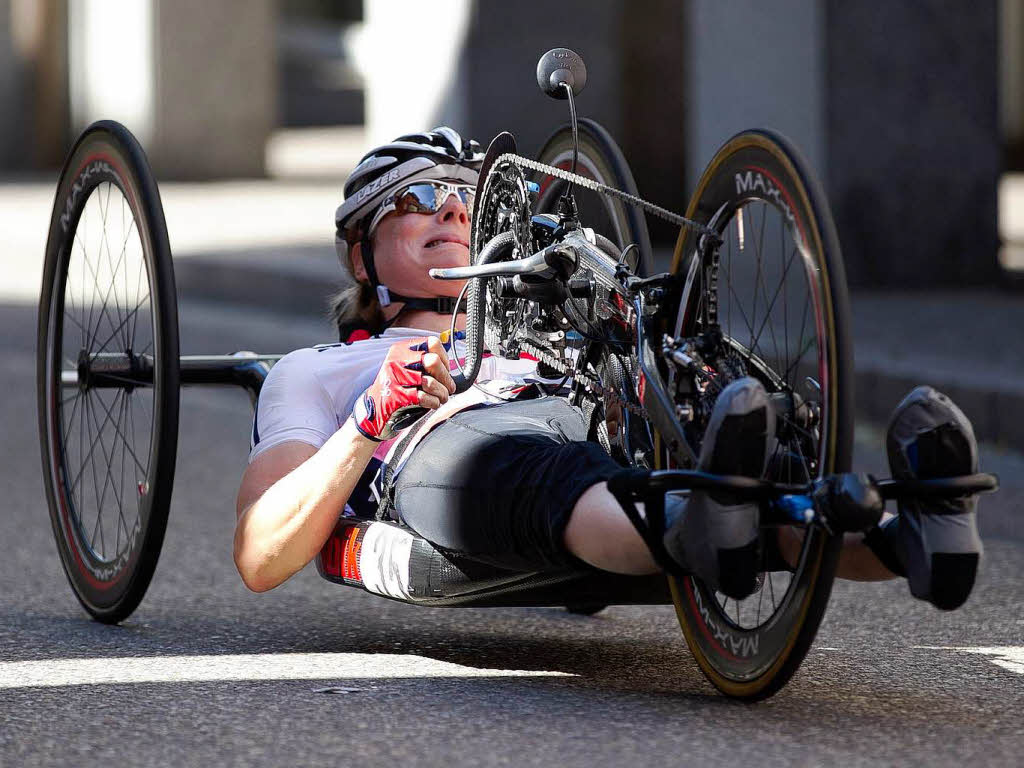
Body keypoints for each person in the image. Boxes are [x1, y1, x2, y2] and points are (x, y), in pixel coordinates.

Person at [234, 127, 983, 612]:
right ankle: (699, 514)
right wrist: (371, 418)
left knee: (753, 464)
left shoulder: (539, 321)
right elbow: (261, 555)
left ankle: (912, 532)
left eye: (467, 200)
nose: (452, 213)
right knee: (532, 467)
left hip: (591, 422)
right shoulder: (321, 369)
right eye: (420, 198)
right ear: (361, 253)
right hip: (450, 448)